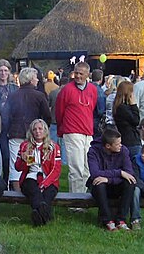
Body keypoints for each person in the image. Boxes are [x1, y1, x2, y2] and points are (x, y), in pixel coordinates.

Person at [55, 62, 97, 197]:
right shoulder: (67, 90)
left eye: (81, 74)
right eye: (76, 73)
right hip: (72, 131)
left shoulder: (92, 89)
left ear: (87, 75)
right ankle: (75, 199)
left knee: (87, 168)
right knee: (76, 167)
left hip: (87, 132)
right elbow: (59, 111)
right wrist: (62, 129)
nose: (78, 76)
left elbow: (93, 108)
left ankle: (83, 197)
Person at [6, 68, 51, 191]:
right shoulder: (40, 96)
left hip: (15, 133)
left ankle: (16, 192)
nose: (37, 80)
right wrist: (43, 131)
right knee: (33, 163)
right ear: (31, 79)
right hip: (34, 134)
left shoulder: (12, 96)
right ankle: (33, 188)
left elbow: (6, 115)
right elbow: (47, 116)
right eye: (36, 77)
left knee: (16, 162)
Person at [87, 129, 136, 231]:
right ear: (108, 146)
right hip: (99, 187)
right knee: (98, 183)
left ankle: (121, 220)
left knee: (130, 182)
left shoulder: (124, 150)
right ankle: (108, 221)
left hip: (116, 185)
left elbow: (129, 173)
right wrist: (120, 173)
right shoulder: (93, 151)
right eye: (117, 144)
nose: (120, 145)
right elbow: (95, 173)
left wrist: (109, 180)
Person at [15, 119, 61, 226]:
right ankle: (45, 216)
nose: (37, 131)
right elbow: (18, 168)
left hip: (49, 179)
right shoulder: (25, 146)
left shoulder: (53, 147)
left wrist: (44, 184)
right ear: (31, 132)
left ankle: (38, 216)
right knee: (34, 192)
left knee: (47, 194)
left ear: (45, 130)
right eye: (34, 129)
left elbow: (56, 170)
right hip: (30, 177)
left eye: (40, 129)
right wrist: (23, 159)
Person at [0, 59, 19, 178]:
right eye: (1, 71)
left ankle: (8, 178)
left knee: (9, 154)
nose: (3, 73)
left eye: (5, 70)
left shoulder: (15, 88)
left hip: (11, 124)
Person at [111, 81, 139, 160]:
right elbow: (136, 120)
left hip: (125, 139)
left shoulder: (117, 106)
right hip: (131, 141)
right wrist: (134, 105)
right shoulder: (123, 108)